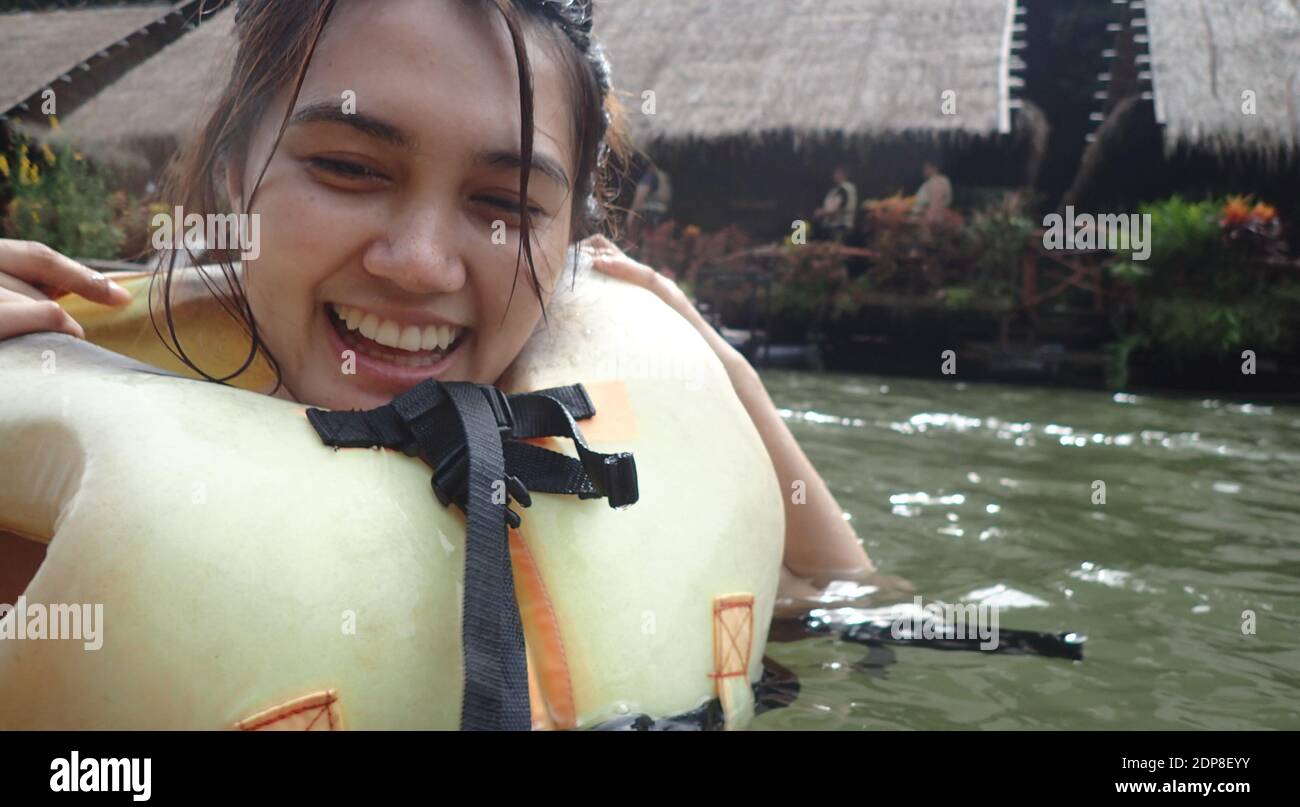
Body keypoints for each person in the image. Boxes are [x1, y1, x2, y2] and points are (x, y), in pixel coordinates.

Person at [0, 0, 873, 590]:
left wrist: (725, 379)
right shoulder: (53, 442)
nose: (419, 265)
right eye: (346, 168)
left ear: (572, 232)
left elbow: (855, 621)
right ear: (233, 176)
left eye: (504, 204)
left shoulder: (598, 424)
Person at [812, 166, 857, 243]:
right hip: (837, 226)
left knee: (836, 251)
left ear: (842, 174)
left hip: (839, 226)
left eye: (836, 173)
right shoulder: (840, 189)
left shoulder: (844, 188)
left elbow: (837, 207)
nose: (834, 175)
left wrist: (821, 212)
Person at [629, 160, 671, 238]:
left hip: (649, 215)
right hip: (661, 216)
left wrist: (632, 213)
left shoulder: (650, 176)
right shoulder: (664, 176)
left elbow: (641, 194)